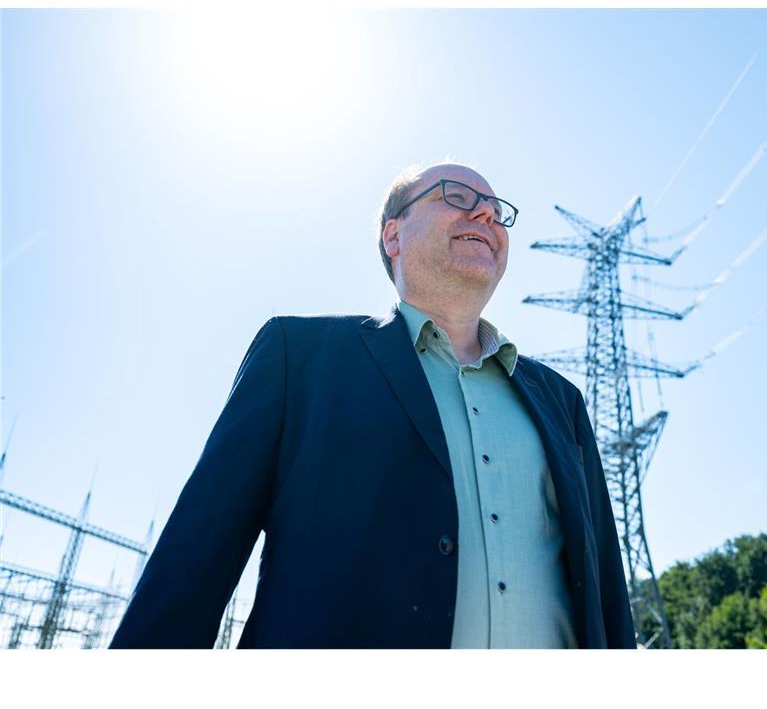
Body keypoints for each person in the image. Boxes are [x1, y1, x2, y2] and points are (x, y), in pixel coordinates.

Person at [109, 162, 636, 648]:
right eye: (458, 195)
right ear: (393, 234)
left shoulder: (561, 402)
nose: (485, 214)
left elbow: (607, 595)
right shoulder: (299, 359)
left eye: (498, 213)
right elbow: (192, 568)